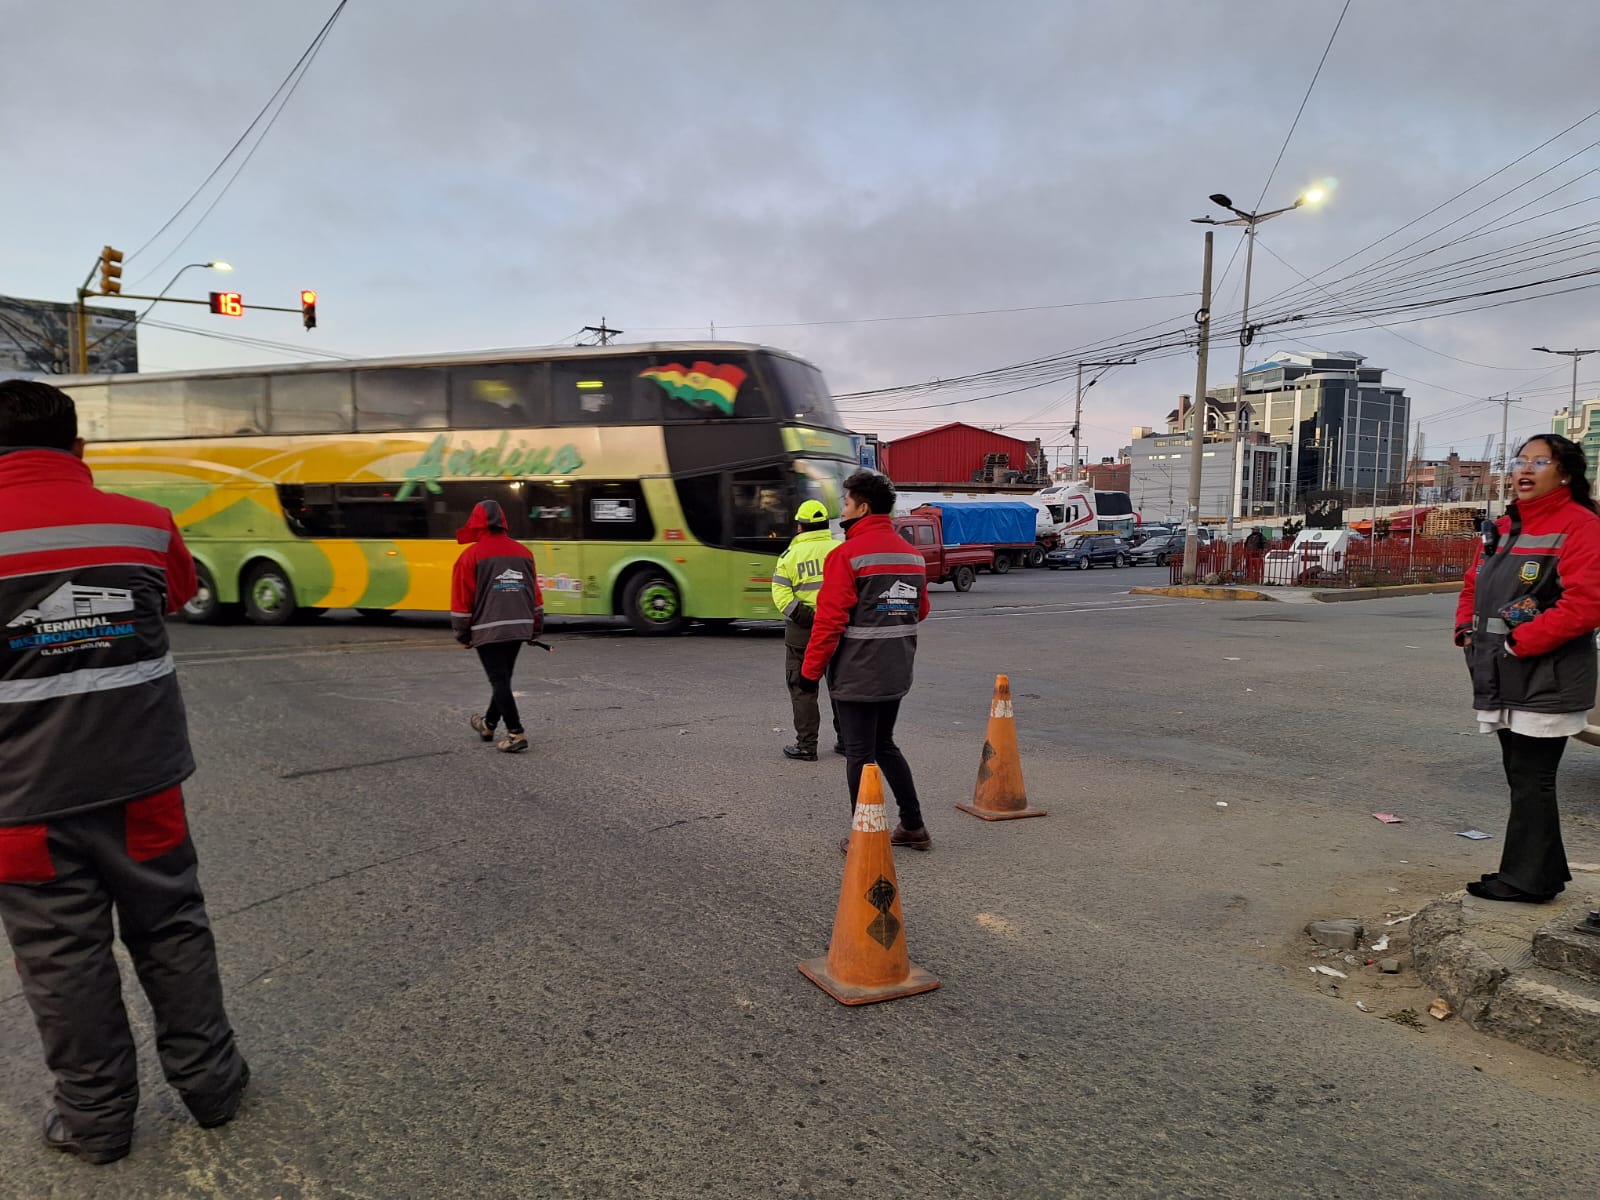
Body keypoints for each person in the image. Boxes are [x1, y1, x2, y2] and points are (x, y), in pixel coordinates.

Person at [0, 378, 249, 1165]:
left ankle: (97, 1122)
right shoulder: (141, 523)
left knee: (60, 957)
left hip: (20, 803)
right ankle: (214, 1088)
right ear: (79, 449)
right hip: (145, 786)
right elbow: (175, 592)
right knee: (172, 926)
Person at [1454, 434, 1600, 903]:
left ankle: (1524, 879)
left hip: (1545, 673)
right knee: (1522, 775)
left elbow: (1587, 602)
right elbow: (1473, 584)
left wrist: (1521, 641)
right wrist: (1464, 629)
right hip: (1499, 670)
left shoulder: (1581, 524)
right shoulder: (1505, 525)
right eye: (1520, 460)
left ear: (1565, 473)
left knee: (1532, 778)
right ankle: (1541, 873)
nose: (1525, 470)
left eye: (1540, 461)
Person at [801, 470, 932, 853]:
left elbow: (829, 621)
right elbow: (919, 610)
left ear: (863, 506)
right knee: (885, 744)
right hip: (896, 668)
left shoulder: (847, 554)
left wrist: (809, 674)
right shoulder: (912, 556)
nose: (842, 508)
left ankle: (867, 834)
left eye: (845, 502)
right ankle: (913, 826)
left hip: (857, 672)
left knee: (860, 753)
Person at [452, 498, 544, 753]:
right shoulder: (524, 552)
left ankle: (516, 733)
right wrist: (535, 626)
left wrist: (462, 634)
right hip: (518, 625)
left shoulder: (471, 556)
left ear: (476, 522)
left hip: (488, 628)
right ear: (503, 522)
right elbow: (534, 593)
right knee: (502, 678)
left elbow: (462, 599)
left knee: (498, 679)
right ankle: (488, 724)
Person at [770, 499, 841, 761]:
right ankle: (847, 741)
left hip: (803, 633)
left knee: (803, 689)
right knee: (840, 687)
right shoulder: (840, 550)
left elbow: (781, 594)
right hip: (837, 630)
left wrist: (807, 616)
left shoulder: (790, 556)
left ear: (800, 527)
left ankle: (807, 746)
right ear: (824, 525)